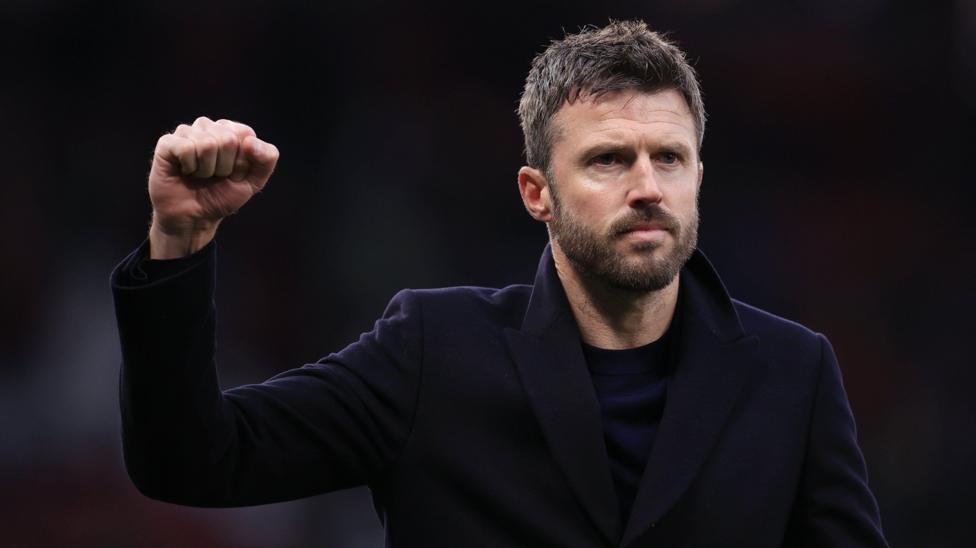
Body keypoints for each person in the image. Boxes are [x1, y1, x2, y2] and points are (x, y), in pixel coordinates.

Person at [110, 20, 889, 547]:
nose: (648, 186)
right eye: (609, 159)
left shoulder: (792, 372)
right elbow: (191, 459)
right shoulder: (432, 353)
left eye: (670, 158)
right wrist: (178, 239)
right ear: (535, 192)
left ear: (699, 177)